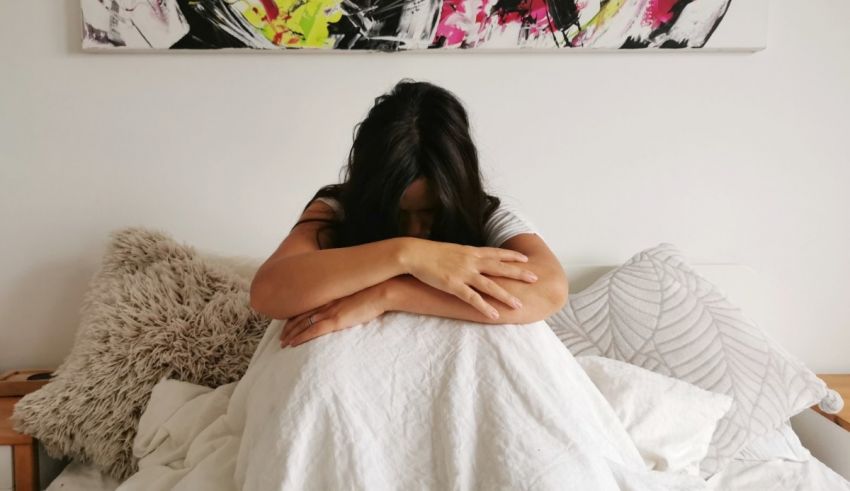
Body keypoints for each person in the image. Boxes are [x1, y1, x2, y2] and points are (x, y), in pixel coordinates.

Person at [249, 80, 569, 346]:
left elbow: (550, 290)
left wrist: (389, 294)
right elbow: (267, 293)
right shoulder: (338, 210)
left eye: (430, 212)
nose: (415, 229)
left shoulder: (484, 214)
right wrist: (405, 255)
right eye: (400, 212)